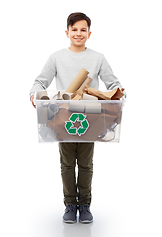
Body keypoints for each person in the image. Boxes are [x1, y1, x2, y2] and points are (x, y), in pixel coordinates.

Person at [30, 12, 124, 223]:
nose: (78, 33)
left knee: (85, 163)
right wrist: (34, 94)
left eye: (83, 30)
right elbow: (40, 81)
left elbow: (112, 82)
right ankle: (70, 204)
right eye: (74, 29)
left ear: (89, 33)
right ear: (67, 32)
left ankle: (85, 204)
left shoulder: (98, 58)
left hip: (90, 118)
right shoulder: (56, 57)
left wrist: (119, 94)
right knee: (66, 163)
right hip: (63, 116)